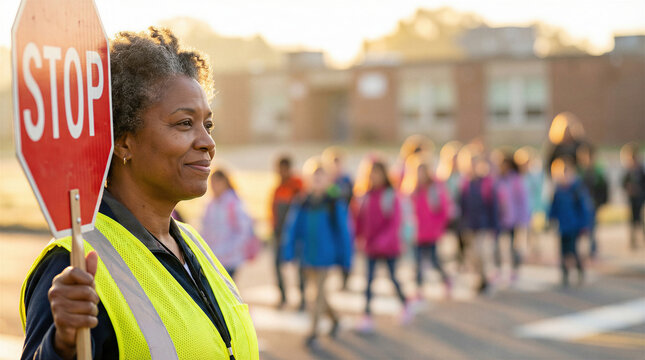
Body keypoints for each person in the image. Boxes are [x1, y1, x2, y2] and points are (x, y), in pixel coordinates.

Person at [20, 28, 258, 360]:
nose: (207, 142)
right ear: (122, 142)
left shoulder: (193, 243)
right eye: (184, 123)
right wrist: (61, 346)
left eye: (208, 125)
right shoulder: (72, 263)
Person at [281, 157, 352, 347]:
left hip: (325, 256)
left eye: (321, 177)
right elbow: (292, 228)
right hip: (307, 255)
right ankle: (335, 319)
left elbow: (343, 232)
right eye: (314, 177)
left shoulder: (333, 202)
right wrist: (288, 252)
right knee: (318, 294)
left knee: (317, 295)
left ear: (327, 179)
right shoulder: (303, 201)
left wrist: (346, 258)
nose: (317, 181)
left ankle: (313, 331)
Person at [355, 157, 412, 332]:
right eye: (371, 174)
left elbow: (394, 223)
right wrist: (358, 237)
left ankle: (405, 302)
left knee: (392, 277)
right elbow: (359, 220)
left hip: (388, 247)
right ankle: (367, 315)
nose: (374, 177)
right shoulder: (365, 196)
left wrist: (381, 241)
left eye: (377, 173)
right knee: (369, 281)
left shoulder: (390, 195)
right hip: (371, 246)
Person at [402, 154, 452, 299]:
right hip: (417, 232)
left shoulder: (434, 189)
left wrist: (438, 227)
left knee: (433, 260)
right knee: (417, 262)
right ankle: (419, 288)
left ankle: (445, 279)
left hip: (431, 232)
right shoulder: (411, 189)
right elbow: (406, 211)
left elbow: (442, 210)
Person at [201, 169, 259, 279]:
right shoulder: (210, 204)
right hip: (213, 257)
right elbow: (205, 229)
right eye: (212, 183)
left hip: (230, 259)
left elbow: (243, 230)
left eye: (217, 182)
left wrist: (230, 249)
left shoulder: (234, 202)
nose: (213, 186)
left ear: (225, 182)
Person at [549, 157, 594, 287]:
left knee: (573, 250)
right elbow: (554, 207)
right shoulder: (558, 191)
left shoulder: (576, 189)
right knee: (563, 250)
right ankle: (565, 273)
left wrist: (585, 225)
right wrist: (550, 218)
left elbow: (584, 209)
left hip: (574, 225)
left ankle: (579, 269)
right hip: (562, 226)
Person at [460, 154, 499, 294]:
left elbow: (492, 207)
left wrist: (494, 227)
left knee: (482, 253)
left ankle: (485, 279)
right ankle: (479, 279)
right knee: (474, 256)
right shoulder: (466, 183)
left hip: (483, 224)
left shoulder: (486, 183)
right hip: (470, 225)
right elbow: (463, 206)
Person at [270, 155, 304, 308]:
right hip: (279, 233)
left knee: (300, 267)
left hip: (296, 234)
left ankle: (302, 298)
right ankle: (283, 296)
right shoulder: (277, 188)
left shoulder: (298, 186)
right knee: (277, 265)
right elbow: (272, 212)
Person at [322, 146, 355, 290]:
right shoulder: (327, 180)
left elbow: (350, 197)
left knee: (345, 250)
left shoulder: (346, 180)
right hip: (330, 220)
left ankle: (345, 277)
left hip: (345, 217)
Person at [494, 153, 530, 282]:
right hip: (499, 218)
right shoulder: (498, 180)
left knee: (513, 245)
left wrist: (523, 218)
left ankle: (514, 269)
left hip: (513, 218)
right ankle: (498, 268)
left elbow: (522, 200)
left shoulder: (515, 180)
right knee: (497, 245)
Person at [577, 144, 608, 258]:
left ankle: (593, 248)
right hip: (583, 204)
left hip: (594, 203)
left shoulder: (597, 172)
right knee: (582, 227)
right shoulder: (580, 172)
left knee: (593, 226)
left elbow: (603, 188)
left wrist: (602, 201)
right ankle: (581, 249)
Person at [621, 143, 645, 250]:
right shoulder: (628, 171)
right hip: (631, 198)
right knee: (632, 220)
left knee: (640, 219)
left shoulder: (641, 170)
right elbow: (623, 183)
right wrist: (628, 188)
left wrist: (640, 190)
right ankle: (633, 240)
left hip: (640, 197)